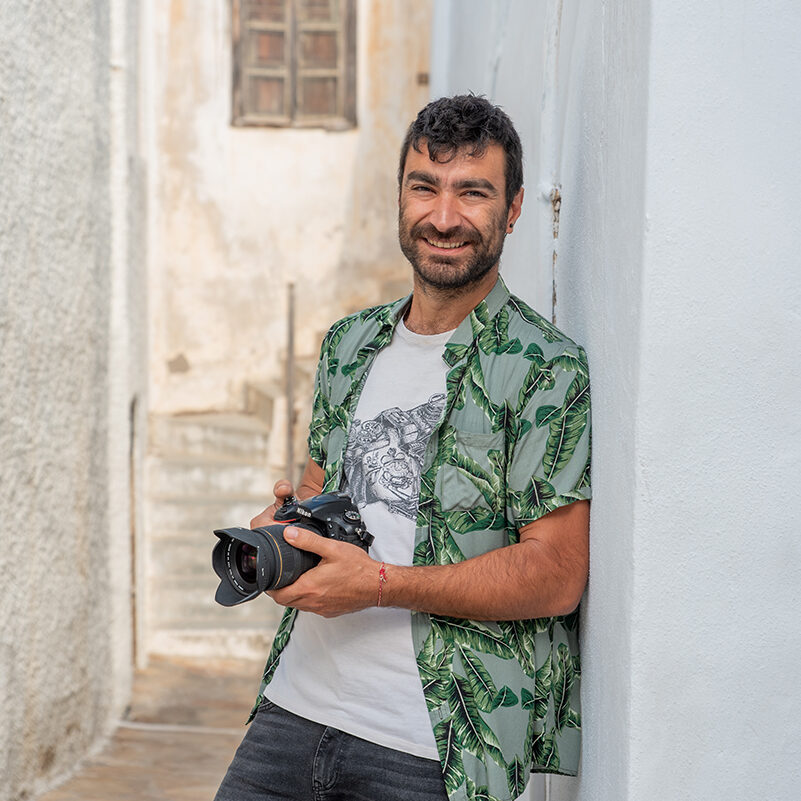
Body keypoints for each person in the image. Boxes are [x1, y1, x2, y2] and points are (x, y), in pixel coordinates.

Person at [215, 95, 591, 801]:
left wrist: (378, 585)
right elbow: (316, 496)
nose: (443, 217)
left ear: (511, 210)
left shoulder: (545, 368)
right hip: (292, 709)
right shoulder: (347, 344)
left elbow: (556, 572)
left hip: (431, 747)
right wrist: (280, 537)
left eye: (471, 193)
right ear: (400, 196)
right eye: (424, 186)